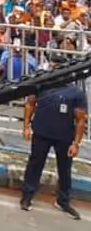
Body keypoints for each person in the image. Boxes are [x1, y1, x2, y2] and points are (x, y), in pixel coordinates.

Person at [20, 81, 87, 218]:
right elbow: (30, 104)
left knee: (64, 169)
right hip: (41, 133)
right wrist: (26, 126)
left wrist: (76, 143)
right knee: (35, 164)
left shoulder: (76, 92)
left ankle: (63, 201)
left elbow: (81, 119)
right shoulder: (42, 84)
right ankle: (27, 196)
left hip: (65, 137)